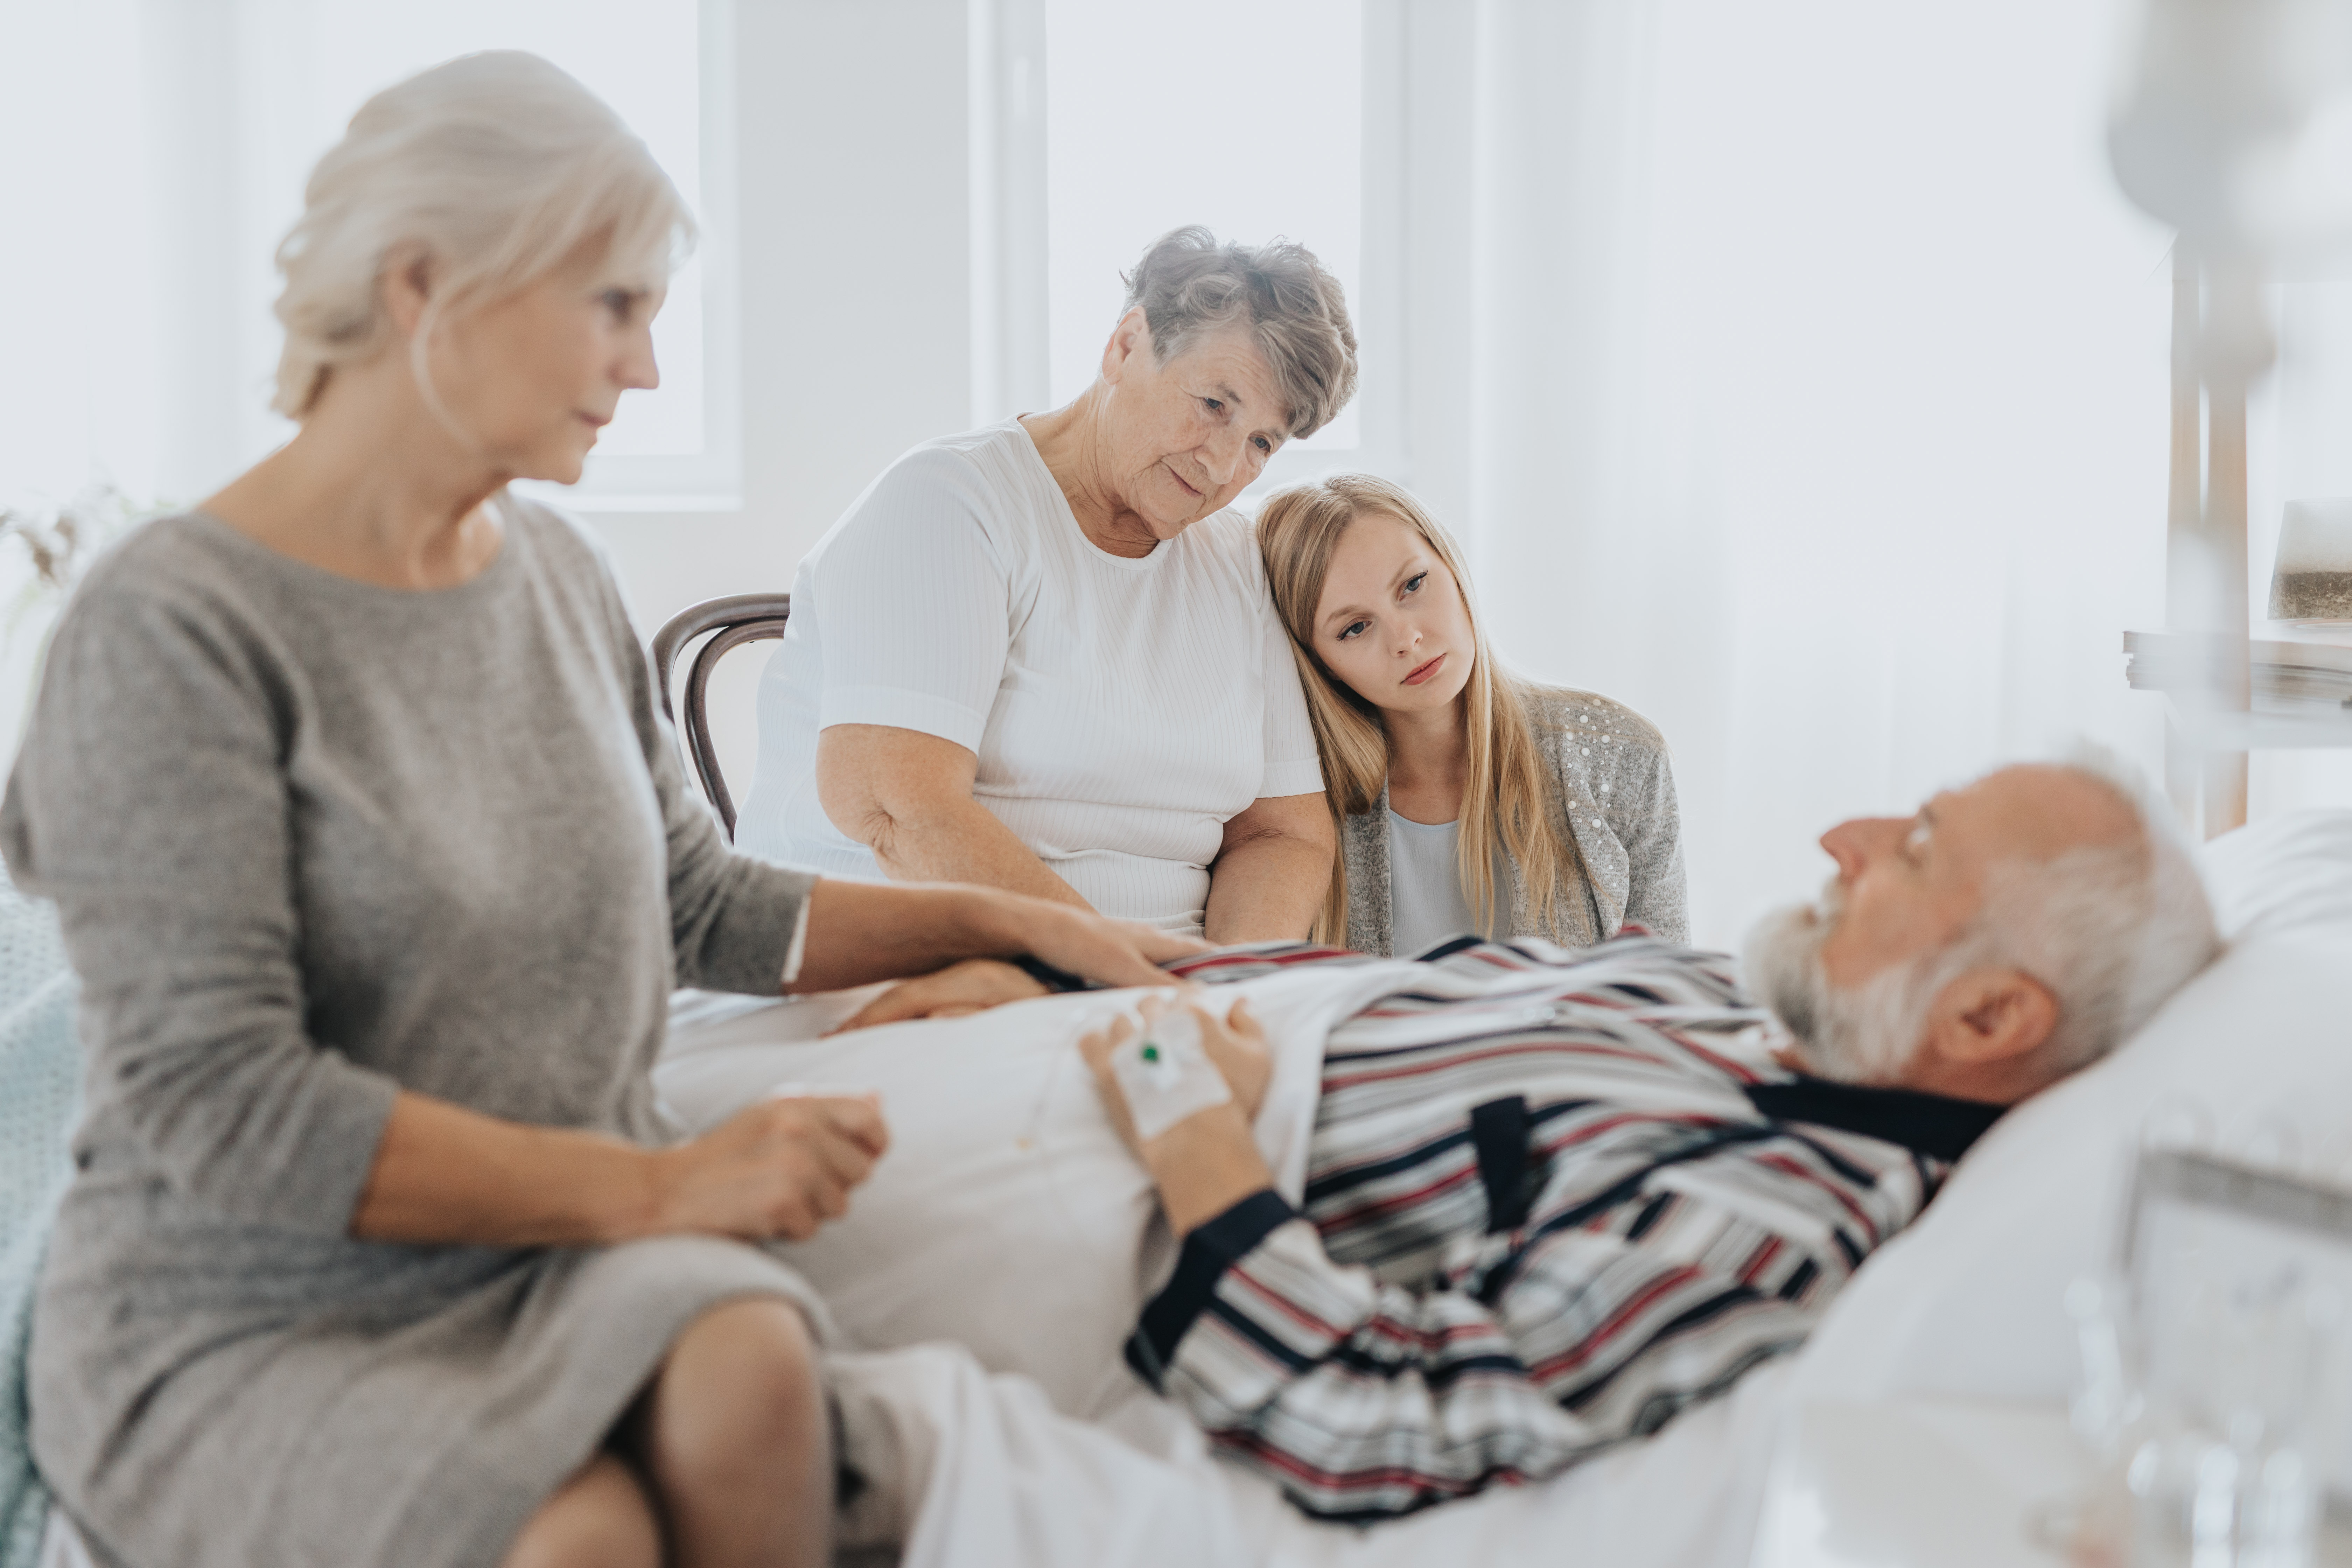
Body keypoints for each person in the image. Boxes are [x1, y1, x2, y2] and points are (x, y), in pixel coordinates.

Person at [2, 54, 1189, 1568]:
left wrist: (1010, 917)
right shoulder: (172, 627)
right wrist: (665, 1183)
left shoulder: (556, 577)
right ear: (429, 283)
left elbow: (695, 907)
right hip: (254, 1297)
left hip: (545, 1245)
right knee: (585, 1539)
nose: (644, 370)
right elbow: (224, 1106)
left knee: (756, 1377)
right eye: (615, 306)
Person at [932, 756, 2206, 1520]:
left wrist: (1175, 1100)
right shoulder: (1741, 998)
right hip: (1110, 1011)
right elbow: (1401, 990)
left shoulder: (1766, 1217)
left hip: (1111, 1141)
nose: (1844, 840)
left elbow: (1385, 1414)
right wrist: (1070, 965)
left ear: (1990, 1014)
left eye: (1916, 849)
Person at [734, 226, 1357, 941]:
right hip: (928, 962)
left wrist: (1230, 990)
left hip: (1167, 994)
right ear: (1127, 345)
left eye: (1261, 443)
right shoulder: (951, 504)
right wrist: (1128, 980)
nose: (1223, 466)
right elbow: (901, 810)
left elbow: (1281, 833)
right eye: (1216, 405)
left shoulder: (1237, 558)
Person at [1255, 473, 1687, 956]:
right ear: (1320, 663)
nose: (1406, 639)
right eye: (1355, 628)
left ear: (1453, 567)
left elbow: (1671, 996)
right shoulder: (1292, 808)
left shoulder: (1622, 757)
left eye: (1414, 584)